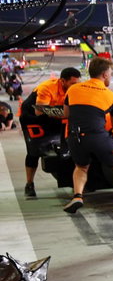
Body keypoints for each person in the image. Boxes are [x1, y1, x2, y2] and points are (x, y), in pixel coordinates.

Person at [62, 57, 113, 214]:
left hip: (74, 137)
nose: (110, 76)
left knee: (81, 167)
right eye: (110, 73)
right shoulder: (110, 95)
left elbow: (66, 114)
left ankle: (77, 196)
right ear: (105, 74)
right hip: (97, 137)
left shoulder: (73, 89)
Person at [19, 66, 80, 199]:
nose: (75, 86)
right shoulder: (47, 88)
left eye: (77, 83)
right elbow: (39, 112)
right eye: (72, 83)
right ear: (63, 81)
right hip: (32, 117)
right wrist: (66, 113)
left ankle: (74, 182)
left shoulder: (75, 89)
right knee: (34, 151)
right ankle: (29, 184)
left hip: (54, 115)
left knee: (68, 145)